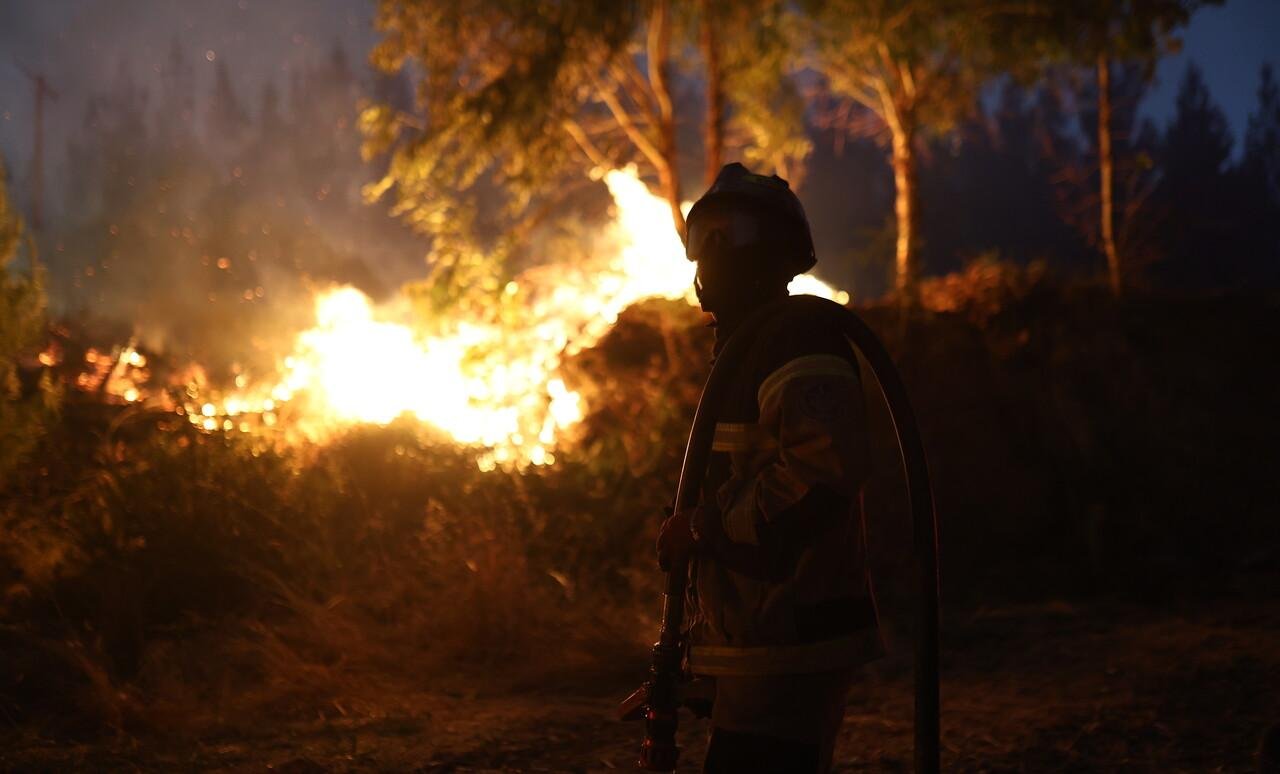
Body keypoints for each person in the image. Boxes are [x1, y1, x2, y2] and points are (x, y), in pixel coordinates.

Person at [657, 163, 884, 773]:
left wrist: (704, 527)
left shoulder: (799, 340)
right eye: (705, 239)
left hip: (794, 641)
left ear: (778, 253)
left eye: (732, 236)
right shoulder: (748, 345)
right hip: (762, 644)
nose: (713, 257)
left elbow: (819, 476)